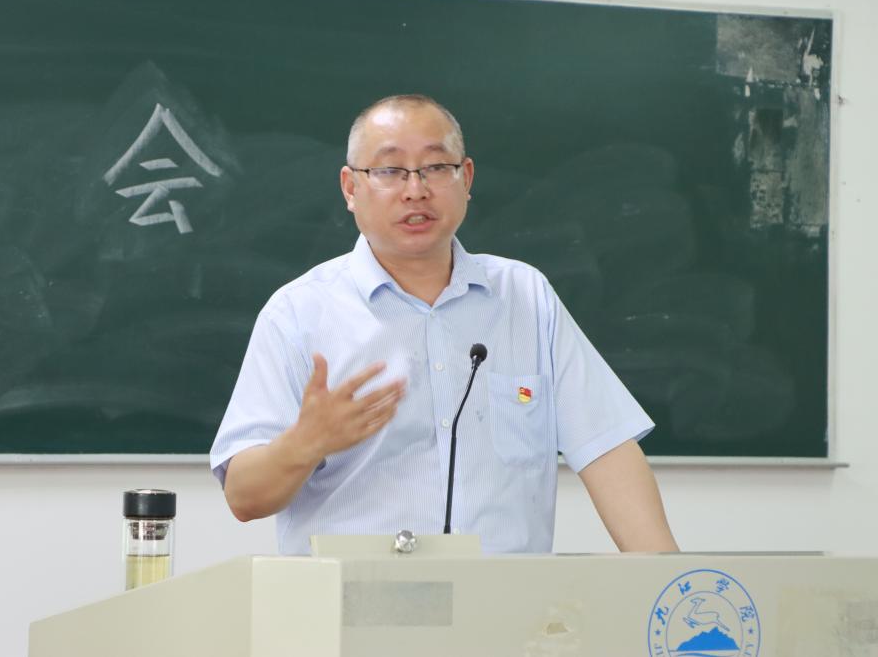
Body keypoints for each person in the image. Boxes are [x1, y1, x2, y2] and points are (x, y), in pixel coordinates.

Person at [210, 94, 678, 555]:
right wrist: (305, 443)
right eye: (390, 170)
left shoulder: (524, 296)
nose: (416, 190)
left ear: (466, 178)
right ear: (351, 188)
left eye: (436, 167)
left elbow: (607, 450)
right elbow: (244, 498)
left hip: (505, 601)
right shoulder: (298, 313)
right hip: (352, 600)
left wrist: (672, 583)